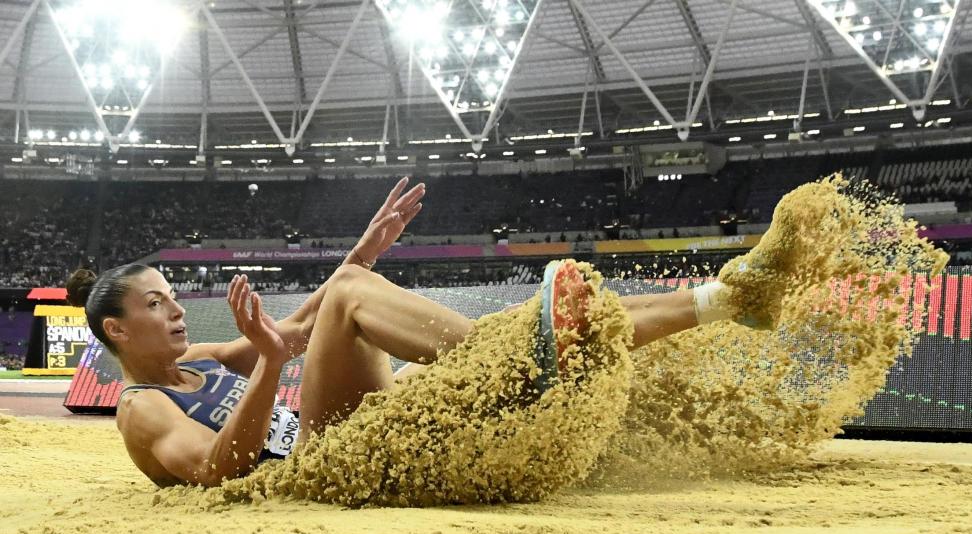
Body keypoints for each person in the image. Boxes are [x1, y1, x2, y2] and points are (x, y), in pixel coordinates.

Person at [66, 178, 766, 488]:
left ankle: (725, 298)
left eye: (173, 297)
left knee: (512, 328)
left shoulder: (201, 358)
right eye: (157, 304)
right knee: (363, 298)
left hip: (335, 433)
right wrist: (271, 367)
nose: (177, 310)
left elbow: (304, 328)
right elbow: (217, 469)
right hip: (310, 469)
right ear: (117, 330)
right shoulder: (142, 410)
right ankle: (514, 357)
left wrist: (363, 251)